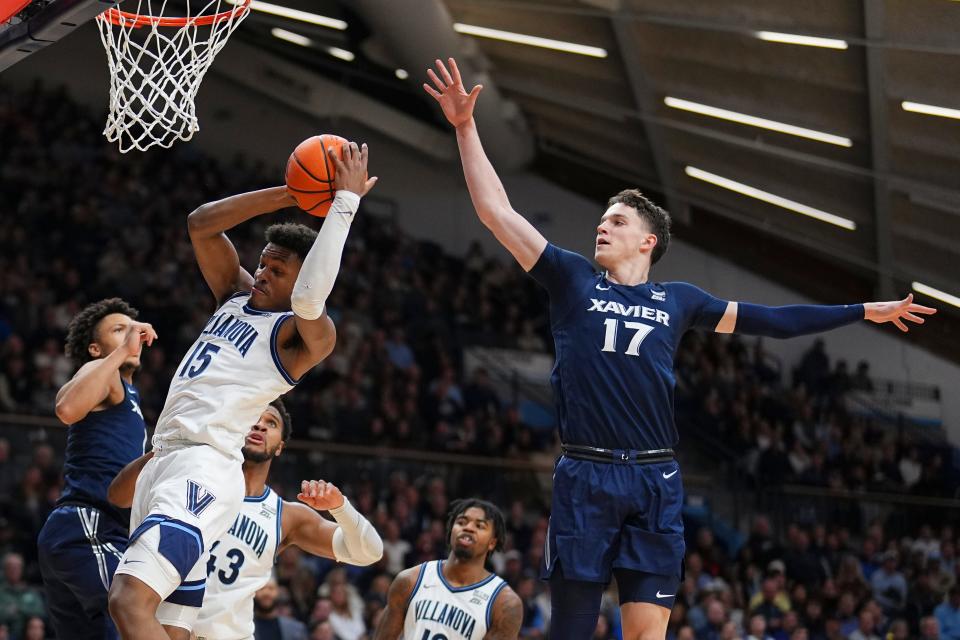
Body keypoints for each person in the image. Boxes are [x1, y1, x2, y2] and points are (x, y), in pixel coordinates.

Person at [422, 56, 938, 640]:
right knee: (571, 630)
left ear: (647, 239)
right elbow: (496, 212)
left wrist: (864, 310)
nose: (602, 227)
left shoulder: (681, 300)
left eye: (615, 221)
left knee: (647, 635)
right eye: (600, 220)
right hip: (585, 474)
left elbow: (773, 320)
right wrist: (466, 127)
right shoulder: (571, 279)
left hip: (655, 478)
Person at [107, 142, 378, 639]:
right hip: (165, 460)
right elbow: (200, 223)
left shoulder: (299, 337)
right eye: (263, 264)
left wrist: (344, 204)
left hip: (204, 468)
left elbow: (312, 296)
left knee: (128, 602)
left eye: (277, 272)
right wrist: (291, 192)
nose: (262, 274)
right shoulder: (234, 298)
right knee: (169, 631)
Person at [108, 398, 383, 639]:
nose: (261, 425)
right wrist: (167, 451)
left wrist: (340, 507)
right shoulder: (191, 474)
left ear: (279, 447)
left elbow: (369, 552)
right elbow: (117, 495)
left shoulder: (286, 516)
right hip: (164, 630)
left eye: (271, 423)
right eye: (254, 418)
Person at [36, 298, 154, 640]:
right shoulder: (102, 374)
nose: (132, 335)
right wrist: (116, 355)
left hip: (89, 532)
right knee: (139, 615)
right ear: (95, 348)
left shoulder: (130, 397)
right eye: (120, 330)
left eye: (133, 329)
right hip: (87, 526)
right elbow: (67, 407)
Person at [373, 499, 522, 639]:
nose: (468, 528)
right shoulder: (410, 580)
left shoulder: (504, 603)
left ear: (492, 542)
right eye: (462, 522)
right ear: (451, 530)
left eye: (480, 526)